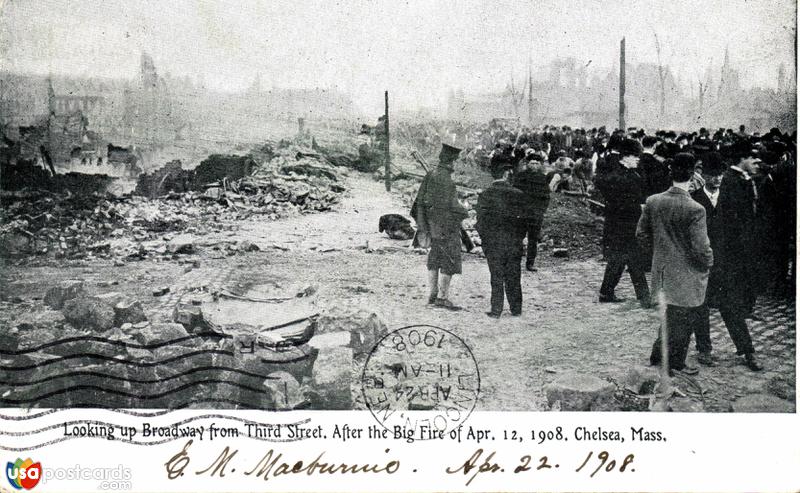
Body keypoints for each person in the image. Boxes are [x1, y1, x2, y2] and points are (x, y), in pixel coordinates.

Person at [638, 152, 713, 375]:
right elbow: (701, 247)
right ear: (692, 175)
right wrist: (708, 262)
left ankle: (657, 356)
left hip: (661, 269)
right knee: (684, 319)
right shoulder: (696, 209)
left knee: (669, 314)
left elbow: (641, 235)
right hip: (687, 273)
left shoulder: (653, 201)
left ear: (671, 173)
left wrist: (657, 254)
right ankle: (675, 363)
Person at [712, 142, 763, 370]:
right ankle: (748, 351)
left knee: (721, 304)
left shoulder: (742, 180)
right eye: (754, 160)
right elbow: (730, 225)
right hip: (728, 257)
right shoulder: (732, 182)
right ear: (742, 159)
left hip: (735, 256)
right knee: (723, 304)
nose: (758, 164)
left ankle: (746, 349)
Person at [412, 143, 468, 310]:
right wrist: (465, 210)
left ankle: (433, 293)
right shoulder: (447, 181)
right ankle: (443, 298)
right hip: (446, 228)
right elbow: (452, 206)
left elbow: (419, 201)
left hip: (431, 226)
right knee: (450, 259)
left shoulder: (430, 174)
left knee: (434, 258)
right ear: (451, 161)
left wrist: (424, 225)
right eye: (455, 161)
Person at [596, 138, 651, 307]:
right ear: (625, 157)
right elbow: (621, 204)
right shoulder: (621, 177)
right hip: (623, 224)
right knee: (627, 258)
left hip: (622, 224)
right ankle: (643, 297)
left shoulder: (624, 174)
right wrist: (640, 209)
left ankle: (608, 292)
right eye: (635, 156)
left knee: (621, 259)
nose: (638, 159)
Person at [476, 162, 528, 317]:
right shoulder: (518, 194)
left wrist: (485, 240)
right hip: (513, 242)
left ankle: (496, 309)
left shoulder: (485, 194)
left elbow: (480, 222)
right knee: (514, 274)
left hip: (493, 242)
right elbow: (525, 221)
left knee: (496, 275)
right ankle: (516, 308)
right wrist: (519, 237)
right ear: (506, 174)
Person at [690, 153, 724, 366]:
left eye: (720, 175)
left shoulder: (728, 197)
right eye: (713, 175)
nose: (717, 179)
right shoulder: (694, 199)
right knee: (700, 306)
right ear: (705, 175)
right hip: (701, 261)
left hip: (725, 261)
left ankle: (747, 349)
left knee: (729, 305)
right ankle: (704, 349)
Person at [512, 153, 550, 271]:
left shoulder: (543, 178)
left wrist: (541, 210)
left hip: (536, 214)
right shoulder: (520, 176)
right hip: (522, 212)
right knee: (517, 237)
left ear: (540, 165)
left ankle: (530, 262)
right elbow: (514, 194)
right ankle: (515, 262)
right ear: (527, 164)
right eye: (532, 163)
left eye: (537, 163)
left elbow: (546, 197)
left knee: (533, 239)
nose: (534, 165)